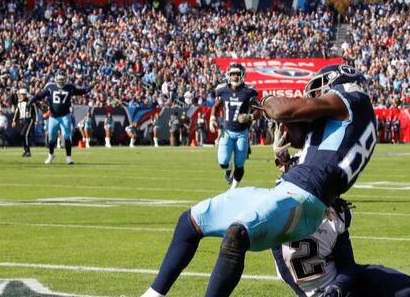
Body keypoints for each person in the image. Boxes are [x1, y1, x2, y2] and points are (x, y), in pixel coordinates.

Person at [141, 64, 377, 297]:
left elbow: (283, 110)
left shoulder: (351, 97)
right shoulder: (355, 117)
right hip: (292, 190)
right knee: (191, 221)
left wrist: (269, 101)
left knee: (237, 235)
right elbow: (307, 141)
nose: (315, 94)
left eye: (319, 88)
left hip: (305, 198)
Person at [273, 197, 410, 297]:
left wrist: (337, 288)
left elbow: (348, 268)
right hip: (312, 290)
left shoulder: (334, 216)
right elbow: (284, 271)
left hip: (341, 285)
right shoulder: (278, 221)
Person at [208, 63, 260, 188]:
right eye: (232, 74)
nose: (235, 77)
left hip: (242, 133)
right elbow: (216, 107)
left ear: (242, 75)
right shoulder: (222, 91)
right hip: (227, 132)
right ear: (228, 76)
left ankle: (233, 188)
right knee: (223, 162)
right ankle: (227, 170)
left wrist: (251, 117)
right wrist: (212, 119)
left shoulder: (249, 92)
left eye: (237, 74)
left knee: (240, 164)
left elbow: (258, 110)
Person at [29, 74, 91, 165]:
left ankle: (68, 157)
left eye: (62, 79)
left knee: (66, 136)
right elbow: (40, 95)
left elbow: (83, 91)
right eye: (59, 79)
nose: (61, 81)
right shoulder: (51, 87)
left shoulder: (69, 87)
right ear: (56, 80)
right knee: (51, 138)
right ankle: (51, 155)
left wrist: (92, 85)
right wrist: (31, 100)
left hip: (65, 115)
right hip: (53, 116)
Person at [13, 89, 37, 157]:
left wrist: (36, 120)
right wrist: (14, 120)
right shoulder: (19, 103)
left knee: (25, 134)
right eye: (20, 94)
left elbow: (35, 111)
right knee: (22, 135)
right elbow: (17, 112)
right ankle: (25, 149)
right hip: (21, 120)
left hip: (29, 120)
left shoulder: (30, 102)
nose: (21, 96)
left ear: (25, 95)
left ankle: (27, 151)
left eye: (22, 94)